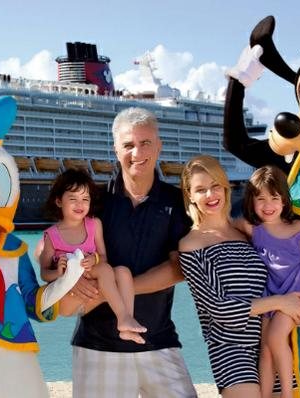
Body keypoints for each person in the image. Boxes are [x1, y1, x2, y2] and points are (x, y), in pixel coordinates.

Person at [70, 107, 196, 398]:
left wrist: (113, 290)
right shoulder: (95, 202)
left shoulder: (177, 201)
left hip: (158, 338)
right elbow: (68, 256)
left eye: (145, 143)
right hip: (98, 342)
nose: (137, 152)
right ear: (116, 149)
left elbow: (179, 268)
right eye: (128, 145)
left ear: (159, 145)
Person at [178, 155, 300, 398]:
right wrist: (282, 303)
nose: (210, 195)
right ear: (190, 195)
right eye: (200, 189)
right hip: (230, 349)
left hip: (269, 344)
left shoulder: (249, 233)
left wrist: (299, 307)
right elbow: (218, 308)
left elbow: (283, 270)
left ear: (225, 186)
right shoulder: (190, 245)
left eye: (215, 185)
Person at [233, 166, 300, 398]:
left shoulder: (297, 227)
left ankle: (287, 395)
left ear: (284, 200)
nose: (267, 205)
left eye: (274, 197)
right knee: (265, 350)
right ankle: (266, 394)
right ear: (251, 201)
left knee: (275, 337)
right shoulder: (254, 230)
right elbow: (224, 225)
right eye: (260, 198)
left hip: (299, 290)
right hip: (272, 295)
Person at [38, 168, 147, 344]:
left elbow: (102, 256)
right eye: (73, 199)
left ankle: (127, 322)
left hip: (91, 283)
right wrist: (59, 272)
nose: (80, 204)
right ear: (59, 201)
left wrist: (94, 259)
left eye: (85, 199)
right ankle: (122, 318)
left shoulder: (94, 224)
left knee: (123, 272)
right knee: (105, 270)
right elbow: (44, 273)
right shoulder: (52, 235)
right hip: (67, 298)